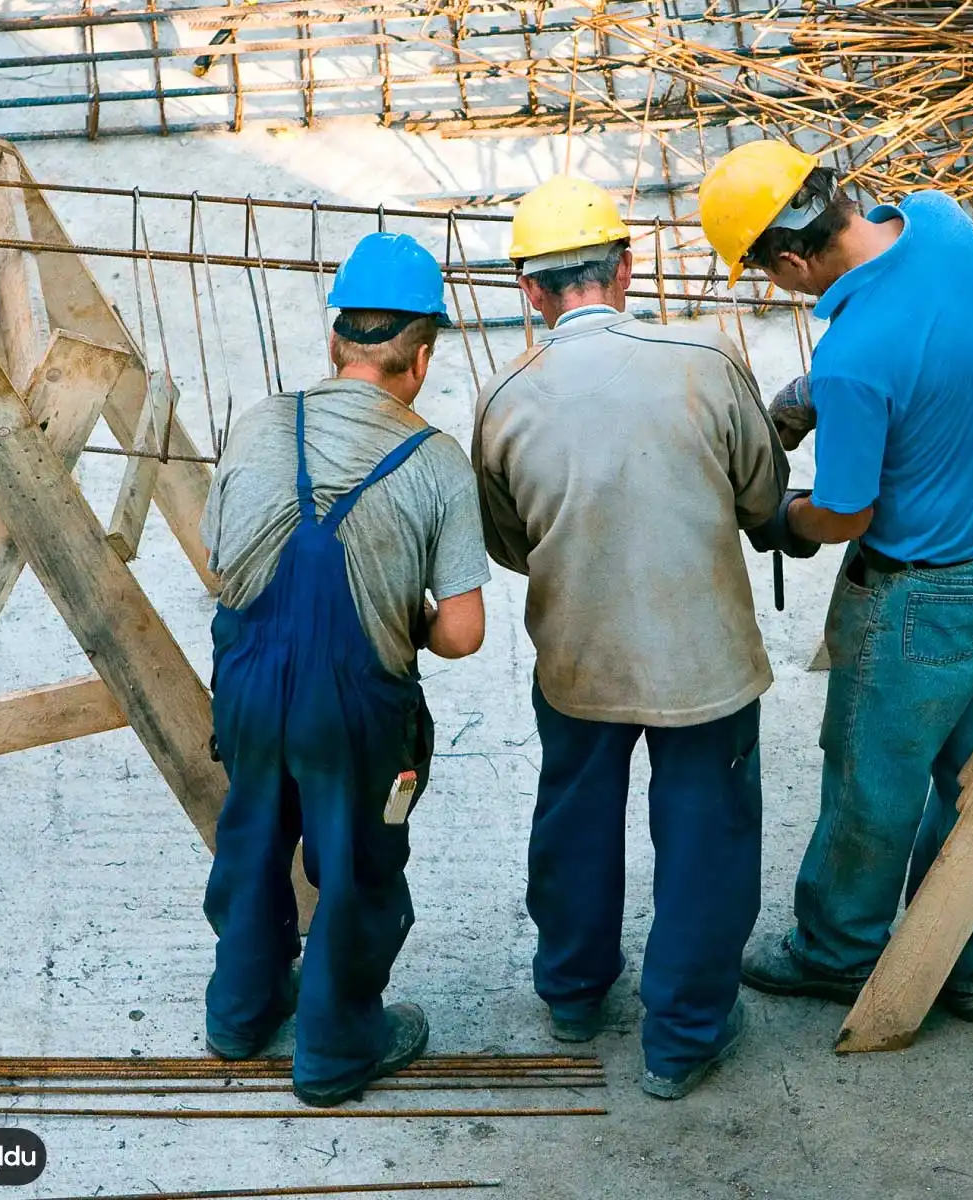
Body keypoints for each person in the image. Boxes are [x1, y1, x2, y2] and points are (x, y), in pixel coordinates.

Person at [698, 139, 973, 1020]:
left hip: (925, 597)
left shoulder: (857, 358)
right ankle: (971, 966)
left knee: (870, 778)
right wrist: (812, 392)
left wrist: (780, 522)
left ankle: (837, 950)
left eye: (767, 275)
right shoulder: (941, 218)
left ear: (787, 258)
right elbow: (927, 336)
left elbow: (844, 517)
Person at [471, 175, 790, 1100]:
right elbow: (762, 502)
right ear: (626, 265)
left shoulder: (505, 396)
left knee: (574, 817)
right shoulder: (708, 357)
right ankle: (682, 1038)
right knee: (706, 834)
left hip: (580, 655)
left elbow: (508, 543)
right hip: (707, 660)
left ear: (530, 291)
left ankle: (573, 994)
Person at [200, 232, 490, 1106]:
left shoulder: (257, 423)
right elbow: (465, 634)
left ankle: (240, 1016)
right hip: (356, 712)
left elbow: (220, 556)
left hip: (248, 686)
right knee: (358, 867)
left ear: (335, 341)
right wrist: (406, 613)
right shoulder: (435, 461)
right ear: (423, 357)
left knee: (251, 843)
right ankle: (333, 1049)